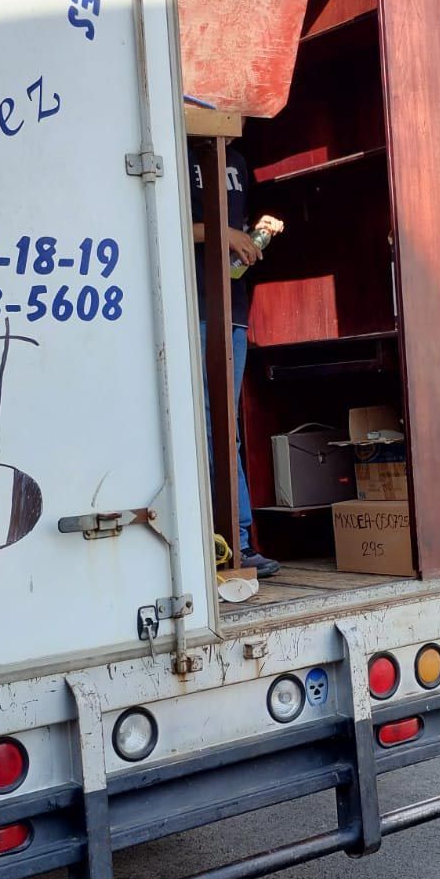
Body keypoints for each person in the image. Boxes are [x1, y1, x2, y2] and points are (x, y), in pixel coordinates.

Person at [187, 136, 283, 578]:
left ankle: (238, 543)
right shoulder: (176, 147)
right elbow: (163, 218)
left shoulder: (240, 161)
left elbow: (233, 241)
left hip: (232, 310)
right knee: (208, 428)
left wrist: (249, 236)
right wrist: (222, 231)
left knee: (225, 430)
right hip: (193, 307)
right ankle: (223, 543)